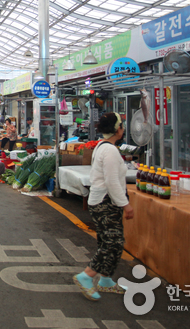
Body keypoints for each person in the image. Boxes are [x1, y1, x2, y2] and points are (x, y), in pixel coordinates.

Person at [73, 112, 134, 301]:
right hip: (105, 202)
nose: (123, 128)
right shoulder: (110, 150)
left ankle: (106, 280)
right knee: (112, 243)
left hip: (105, 201)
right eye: (122, 125)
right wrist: (126, 205)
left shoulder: (104, 146)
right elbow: (111, 181)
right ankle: (86, 276)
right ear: (117, 129)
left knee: (108, 242)